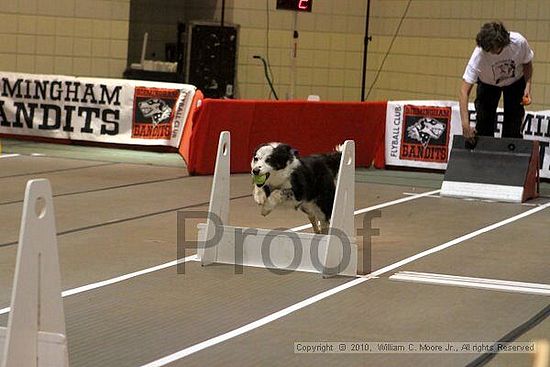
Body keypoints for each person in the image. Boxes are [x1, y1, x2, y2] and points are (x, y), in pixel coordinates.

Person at [459, 21, 533, 141]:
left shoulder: (519, 42)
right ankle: (483, 156)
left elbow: (527, 63)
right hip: (487, 84)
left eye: (492, 49)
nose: (489, 52)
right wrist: (465, 124)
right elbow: (463, 91)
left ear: (501, 43)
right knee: (484, 123)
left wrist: (527, 86)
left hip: (515, 82)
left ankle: (510, 156)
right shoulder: (479, 55)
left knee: (513, 124)